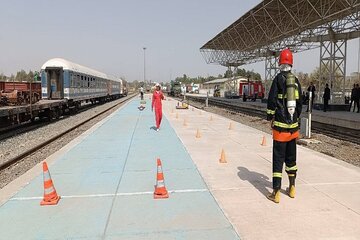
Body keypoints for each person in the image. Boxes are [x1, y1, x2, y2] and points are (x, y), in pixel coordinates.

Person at [266, 48, 302, 203]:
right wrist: (295, 118)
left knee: (278, 159)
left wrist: (269, 116)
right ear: (291, 63)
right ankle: (292, 188)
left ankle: (276, 192)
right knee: (291, 159)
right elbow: (300, 103)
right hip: (293, 129)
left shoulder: (278, 79)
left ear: (280, 63)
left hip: (280, 129)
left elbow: (272, 100)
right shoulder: (296, 81)